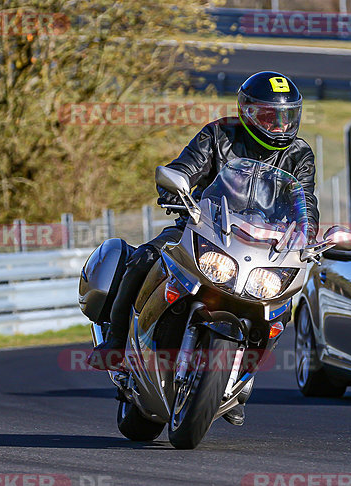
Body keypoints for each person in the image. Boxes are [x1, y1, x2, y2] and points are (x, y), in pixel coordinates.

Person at [86, 71, 321, 426]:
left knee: (279, 306)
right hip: (204, 228)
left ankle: (237, 381)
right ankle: (116, 345)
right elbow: (185, 168)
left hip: (264, 247)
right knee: (145, 257)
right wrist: (174, 189)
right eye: (269, 116)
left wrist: (309, 232)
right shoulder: (219, 135)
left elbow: (305, 200)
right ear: (248, 112)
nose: (279, 126)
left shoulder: (299, 154)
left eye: (286, 117)